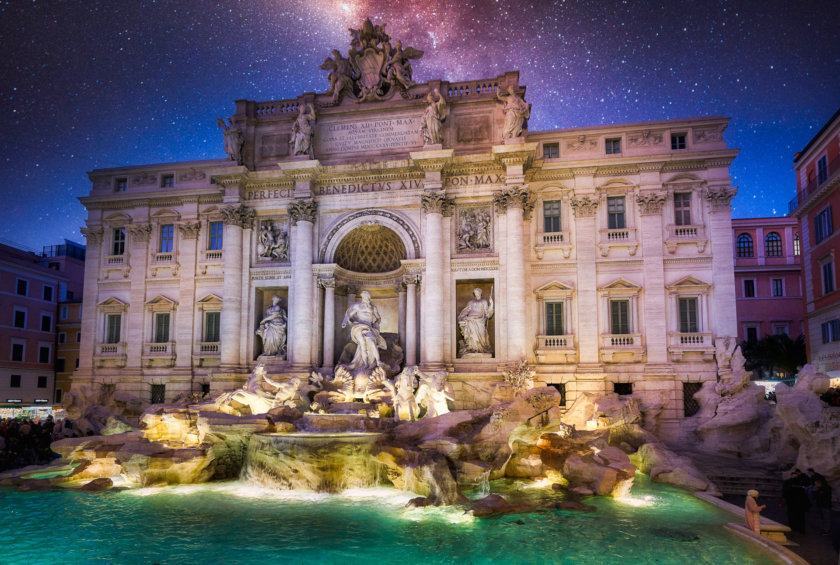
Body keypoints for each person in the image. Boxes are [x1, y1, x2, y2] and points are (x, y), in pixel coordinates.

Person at [341, 290, 386, 371]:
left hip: (369, 327)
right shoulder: (358, 306)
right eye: (364, 296)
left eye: (367, 296)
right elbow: (349, 314)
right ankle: (365, 364)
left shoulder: (372, 307)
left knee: (371, 341)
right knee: (362, 345)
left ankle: (378, 361)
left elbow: (378, 317)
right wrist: (344, 322)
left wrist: (376, 323)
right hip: (359, 326)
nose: (366, 298)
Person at [458, 287, 494, 355]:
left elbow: (487, 313)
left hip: (480, 320)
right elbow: (466, 311)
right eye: (475, 292)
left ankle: (480, 348)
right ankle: (472, 347)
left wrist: (491, 304)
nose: (476, 293)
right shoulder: (470, 302)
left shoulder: (484, 301)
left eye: (477, 292)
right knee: (469, 326)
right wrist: (461, 317)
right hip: (470, 319)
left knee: (480, 333)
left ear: (480, 293)